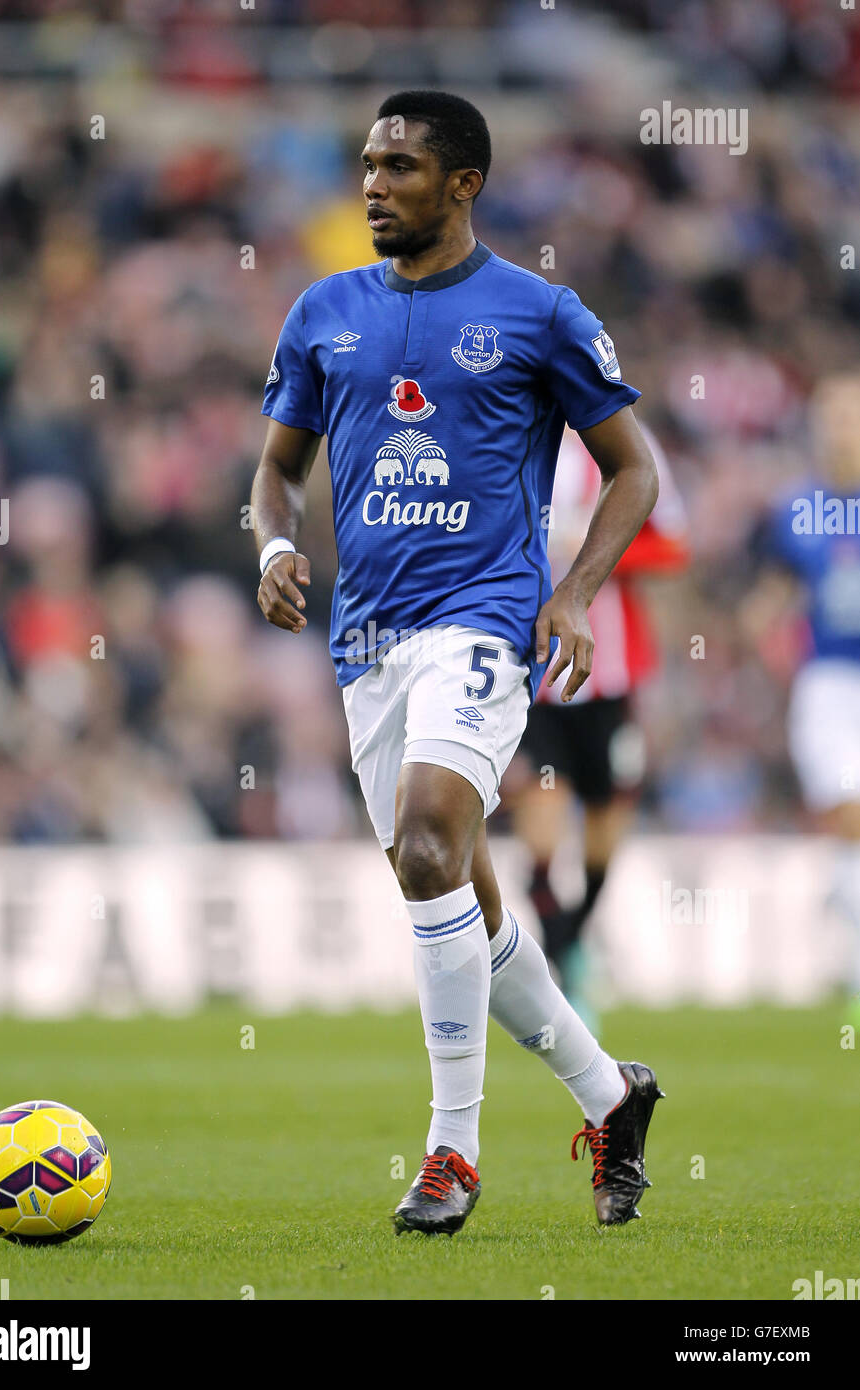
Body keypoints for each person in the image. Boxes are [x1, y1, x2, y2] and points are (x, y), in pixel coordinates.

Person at [252, 90, 663, 1236]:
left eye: (399, 166)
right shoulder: (324, 311)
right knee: (456, 894)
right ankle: (611, 1093)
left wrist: (572, 592)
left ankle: (452, 1151)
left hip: (483, 622)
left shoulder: (539, 314)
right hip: (366, 643)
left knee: (432, 841)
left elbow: (634, 467)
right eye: (368, 164)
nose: (373, 185)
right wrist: (276, 545)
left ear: (464, 183)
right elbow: (276, 468)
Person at [512, 424, 689, 1029]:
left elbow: (673, 547)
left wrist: (595, 550)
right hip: (532, 677)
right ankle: (564, 966)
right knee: (540, 825)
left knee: (606, 825)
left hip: (610, 678)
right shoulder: (509, 427)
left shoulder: (627, 441)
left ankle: (571, 946)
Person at [756, 372, 860, 996]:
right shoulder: (798, 508)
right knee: (847, 808)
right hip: (829, 682)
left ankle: (845, 905)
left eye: (851, 417)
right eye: (832, 418)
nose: (841, 431)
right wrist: (761, 629)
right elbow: (771, 595)